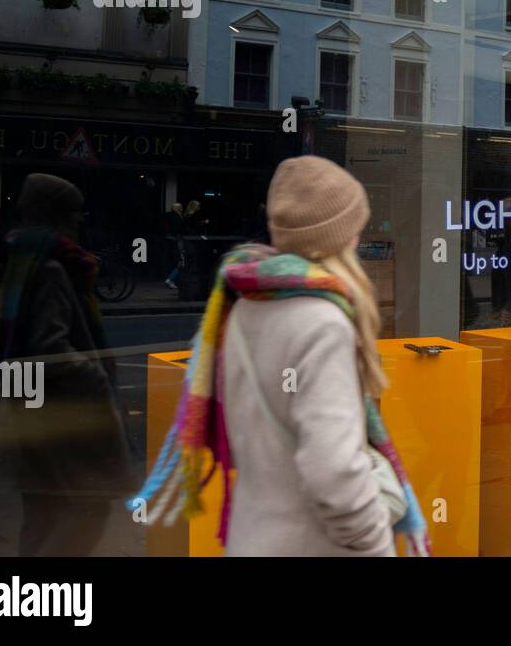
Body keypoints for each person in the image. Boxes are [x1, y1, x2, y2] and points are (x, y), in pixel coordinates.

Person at [131, 156, 429, 555]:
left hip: (253, 538)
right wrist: (376, 544)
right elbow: (334, 471)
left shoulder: (242, 305)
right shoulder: (323, 323)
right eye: (354, 228)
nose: (359, 239)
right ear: (336, 237)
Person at [0, 173, 134, 555]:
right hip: (63, 417)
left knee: (42, 512)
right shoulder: (55, 268)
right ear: (55, 215)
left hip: (29, 411)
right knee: (89, 508)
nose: (80, 220)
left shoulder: (23, 260)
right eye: (74, 212)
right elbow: (49, 346)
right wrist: (97, 379)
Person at [163, 201, 185, 290]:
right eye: (180, 208)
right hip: (177, 242)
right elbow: (180, 229)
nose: (181, 209)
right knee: (181, 262)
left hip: (170, 242)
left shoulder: (167, 217)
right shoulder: (177, 218)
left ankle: (171, 279)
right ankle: (170, 279)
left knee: (177, 262)